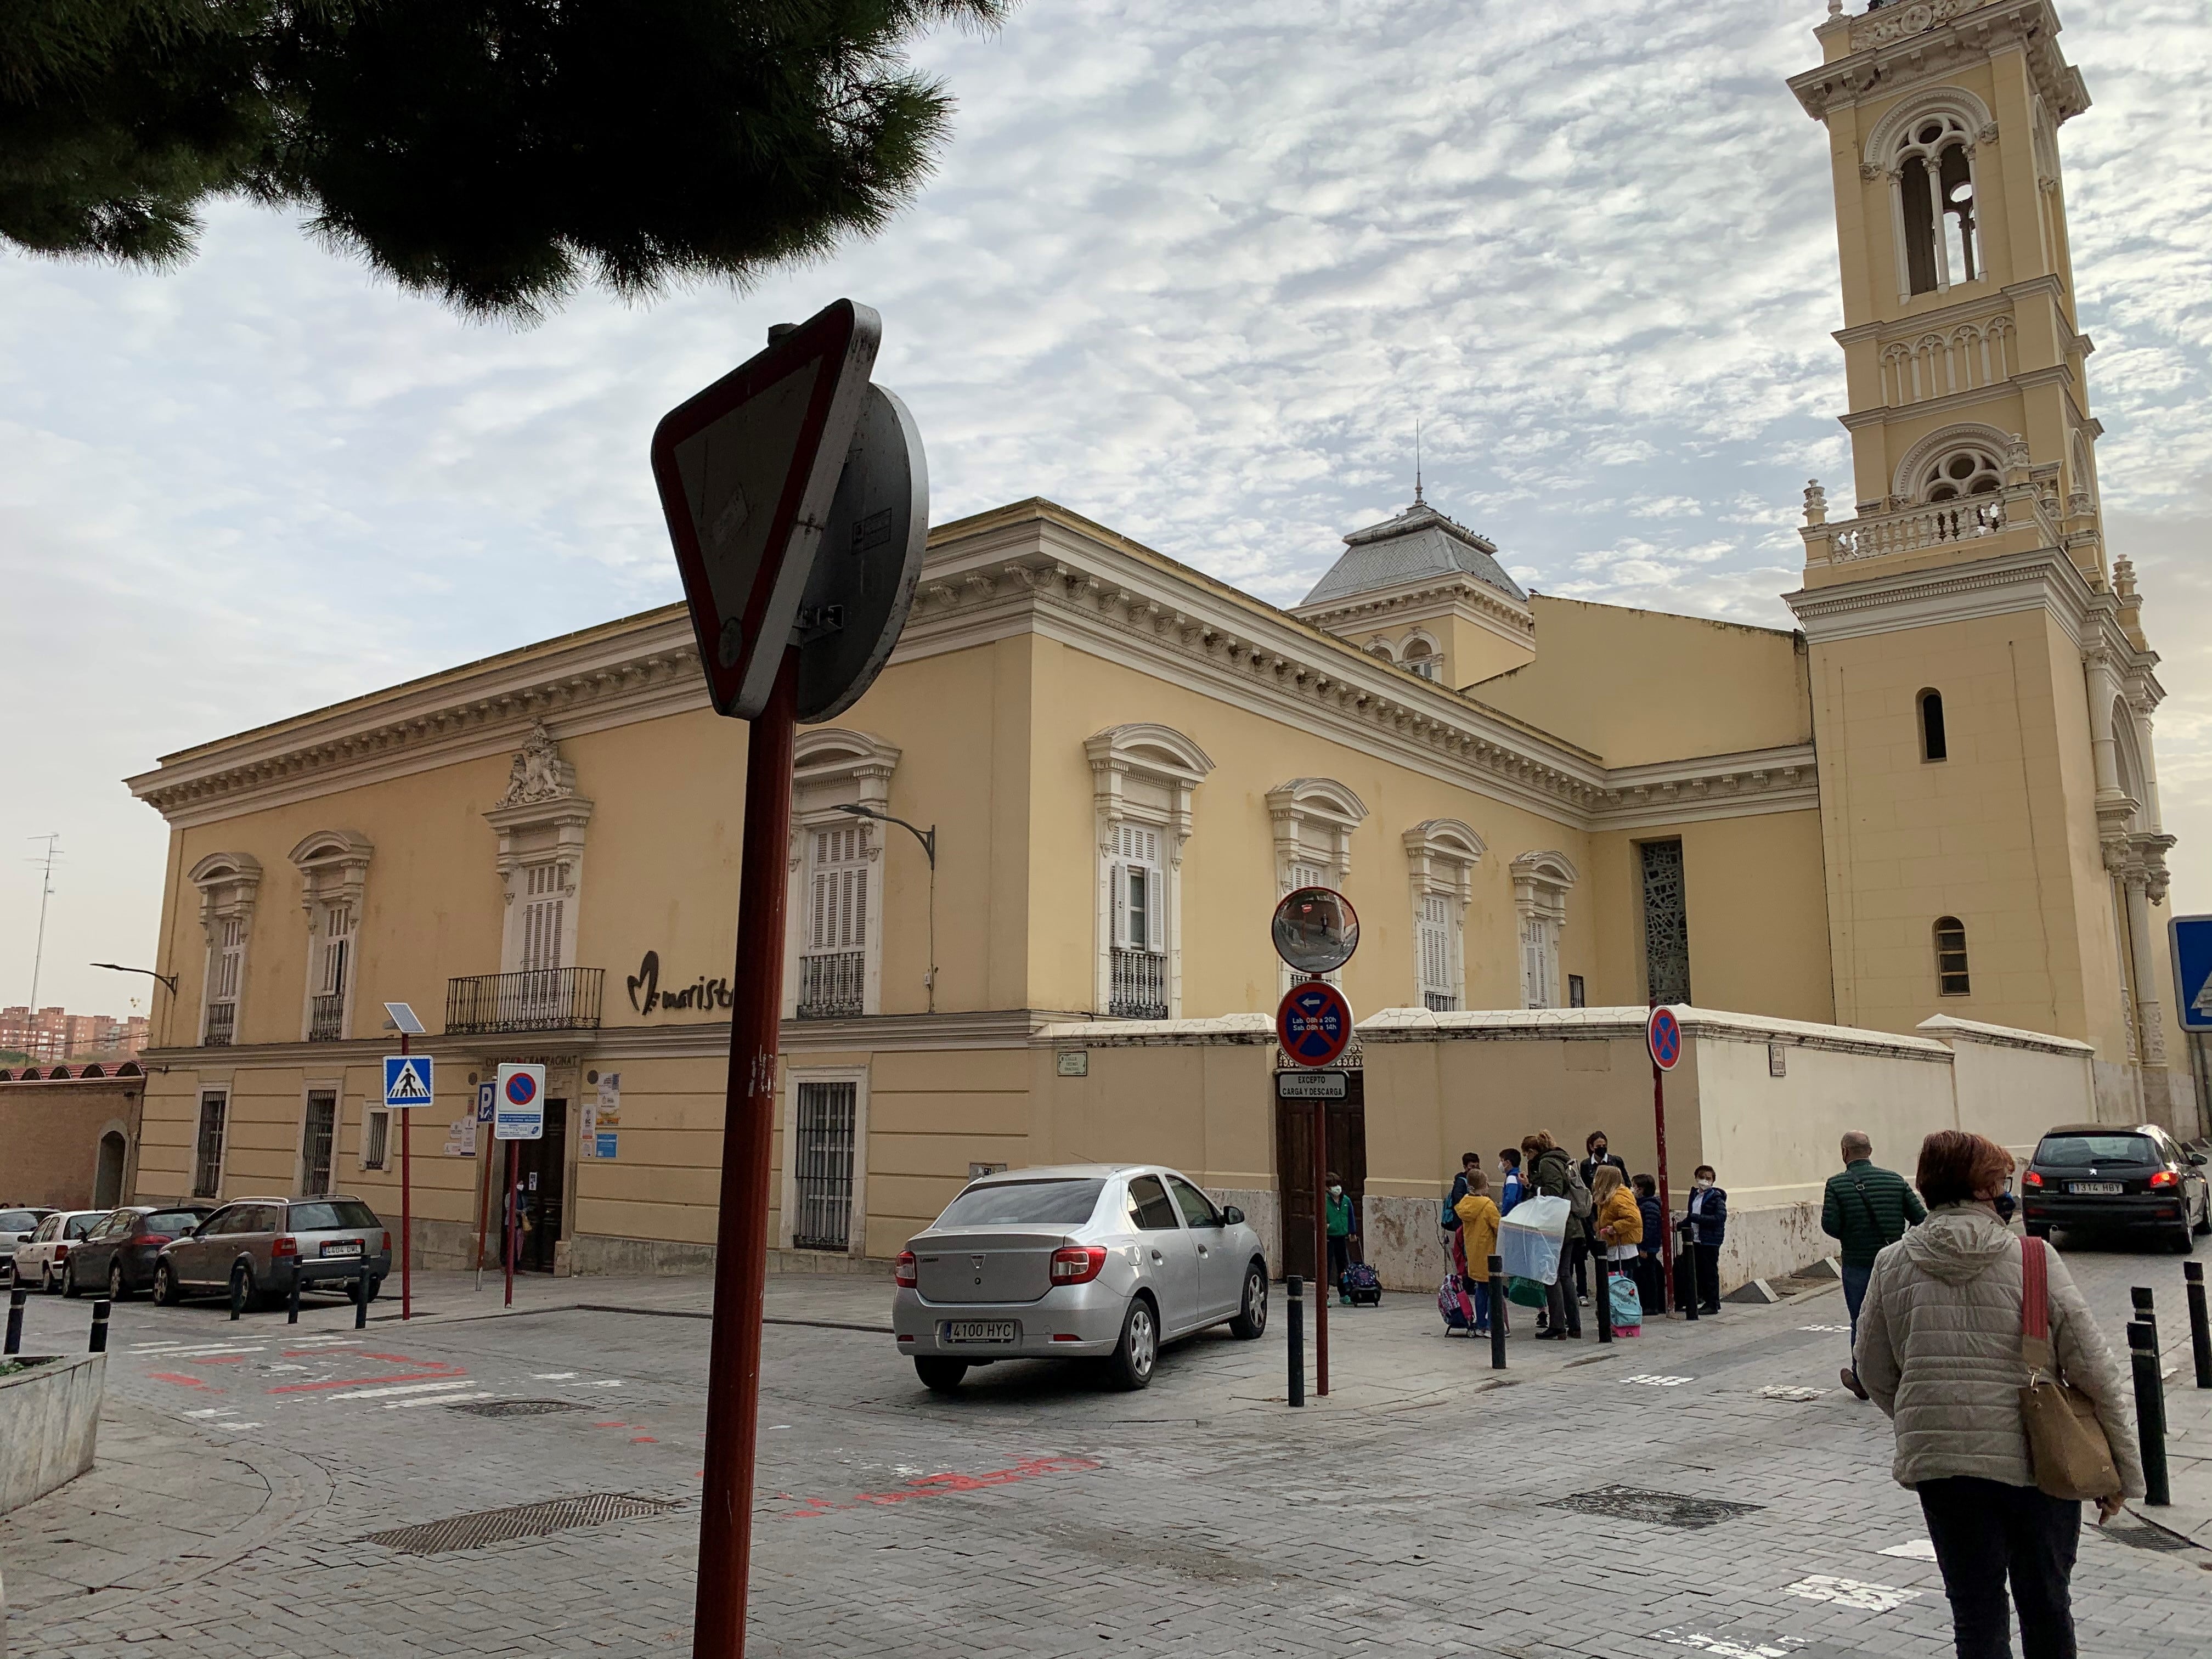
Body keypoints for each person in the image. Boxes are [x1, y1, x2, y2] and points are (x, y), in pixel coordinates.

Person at [1855, 1130, 2142, 1659]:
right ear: (1987, 1188)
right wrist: (2125, 1470)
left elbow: (1872, 1369)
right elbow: (2095, 1370)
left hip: (1944, 1466)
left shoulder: (1891, 1262)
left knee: (1975, 1611)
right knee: (2047, 1603)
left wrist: (1930, 1413)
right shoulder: (2033, 1258)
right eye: (2002, 1180)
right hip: (2038, 1457)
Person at [1824, 1131, 1927, 1399]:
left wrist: (1853, 1234)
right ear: (1869, 1151)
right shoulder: (1894, 1180)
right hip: (1895, 1261)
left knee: (1861, 1320)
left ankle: (1862, 1380)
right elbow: (1920, 1217)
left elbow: (1830, 1225)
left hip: (1857, 1263)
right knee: (1898, 1317)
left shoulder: (1836, 1185)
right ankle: (1903, 1375)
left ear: (1844, 1152)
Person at [1522, 1132, 1580, 1339]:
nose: (1526, 1159)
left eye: (1526, 1154)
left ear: (1533, 1152)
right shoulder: (1560, 1158)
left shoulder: (1547, 1163)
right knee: (1564, 1276)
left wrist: (1531, 1186)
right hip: (1569, 1225)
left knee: (1552, 1275)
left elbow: (1553, 1191)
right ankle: (1574, 1326)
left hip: (1556, 1226)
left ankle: (1558, 1325)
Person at [1572, 1131, 1627, 1303]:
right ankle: (1582, 1292)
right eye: (1598, 1145)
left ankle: (1606, 1289)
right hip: (1591, 1214)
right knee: (1581, 1255)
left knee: (1603, 1257)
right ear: (1591, 1147)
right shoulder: (1586, 1165)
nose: (1602, 1148)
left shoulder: (1615, 1161)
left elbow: (1625, 1182)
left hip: (1609, 1212)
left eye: (1604, 1145)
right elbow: (1583, 1191)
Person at [1453, 1169, 1502, 1336]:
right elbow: (1498, 1227)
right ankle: (1491, 1325)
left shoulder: (1465, 1204)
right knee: (1493, 1290)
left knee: (1481, 1289)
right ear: (1483, 1186)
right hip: (1489, 1254)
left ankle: (1481, 1323)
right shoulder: (1488, 1205)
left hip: (1474, 1253)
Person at [1590, 1166, 1643, 1316]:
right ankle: (1615, 1315)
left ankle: (1621, 1315)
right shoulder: (1609, 1196)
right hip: (1615, 1247)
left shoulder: (1618, 1197)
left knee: (1620, 1287)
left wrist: (1615, 1228)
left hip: (1622, 1250)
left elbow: (1634, 1219)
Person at [1685, 1164, 1726, 1315]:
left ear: (1713, 1181)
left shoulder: (1716, 1198)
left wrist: (1697, 1218)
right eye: (1701, 1177)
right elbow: (1691, 1216)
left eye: (1708, 1178)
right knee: (1700, 1272)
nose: (1704, 1181)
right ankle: (1702, 1299)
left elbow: (1719, 1218)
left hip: (1710, 1240)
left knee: (1710, 1272)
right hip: (1696, 1239)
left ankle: (1713, 1303)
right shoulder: (1695, 1195)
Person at [1441, 1152, 1480, 1291]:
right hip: (1462, 1223)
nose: (1475, 1169)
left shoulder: (1476, 1181)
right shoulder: (1461, 1182)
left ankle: (1471, 1282)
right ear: (1465, 1167)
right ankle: (1468, 1283)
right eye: (1472, 1166)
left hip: (1470, 1223)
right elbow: (1459, 1201)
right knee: (1465, 1254)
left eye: (1477, 1166)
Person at [1632, 1173, 1666, 1314]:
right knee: (1644, 1275)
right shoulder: (1642, 1205)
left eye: (1635, 1187)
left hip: (1647, 1247)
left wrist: (1644, 1247)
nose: (1632, 1190)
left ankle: (1652, 1305)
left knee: (1648, 1276)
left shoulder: (1649, 1206)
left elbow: (1651, 1228)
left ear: (1642, 1189)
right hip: (1644, 1246)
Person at [1326, 1173, 1357, 1301]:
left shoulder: (1346, 1201)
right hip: (1328, 1237)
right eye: (1333, 1186)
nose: (1337, 1188)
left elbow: (1351, 1217)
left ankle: (1344, 1293)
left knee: (1343, 1266)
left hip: (1341, 1236)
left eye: (1338, 1185)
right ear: (1327, 1188)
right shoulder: (1324, 1201)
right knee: (1326, 1266)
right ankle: (1325, 1295)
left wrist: (1352, 1232)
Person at [1496, 1148, 1526, 1216]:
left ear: (1508, 1163)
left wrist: (1503, 1215)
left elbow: (1510, 1200)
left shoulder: (1511, 1178)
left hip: (1512, 1216)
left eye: (1502, 1161)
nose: (1500, 1164)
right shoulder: (1519, 1176)